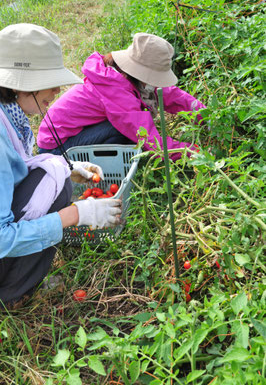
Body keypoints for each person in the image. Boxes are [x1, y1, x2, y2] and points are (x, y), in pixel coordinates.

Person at [0, 23, 122, 307]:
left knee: (56, 173)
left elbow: (10, 174)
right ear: (19, 84)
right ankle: (11, 294)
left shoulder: (9, 116)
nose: (57, 89)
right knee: (53, 181)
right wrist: (75, 215)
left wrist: (68, 170)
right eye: (49, 81)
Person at [37, 32, 206, 160]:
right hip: (56, 149)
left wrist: (204, 114)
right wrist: (193, 152)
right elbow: (148, 138)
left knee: (127, 128)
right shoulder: (115, 89)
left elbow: (167, 93)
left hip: (71, 133)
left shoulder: (121, 74)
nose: (156, 83)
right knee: (128, 132)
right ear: (141, 74)